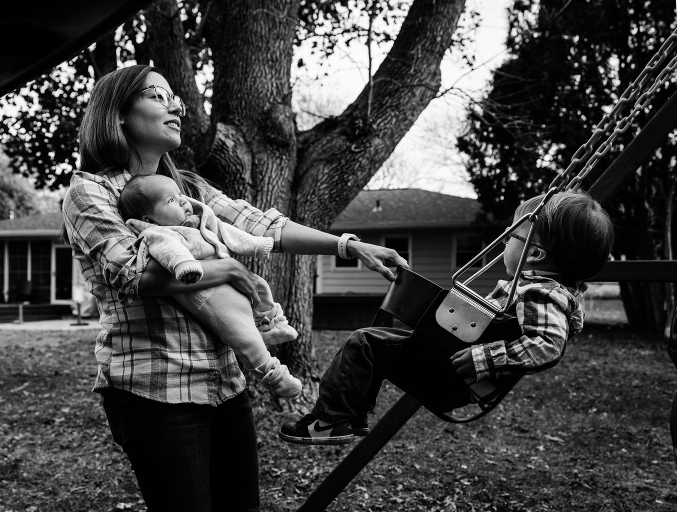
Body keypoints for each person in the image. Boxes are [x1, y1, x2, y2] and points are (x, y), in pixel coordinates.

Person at [60, 64, 407, 512]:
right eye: (157, 95)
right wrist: (229, 272)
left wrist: (349, 246)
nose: (176, 106)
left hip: (224, 382)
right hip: (153, 389)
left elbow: (264, 226)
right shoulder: (90, 192)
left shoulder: (188, 187)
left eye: (175, 98)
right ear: (118, 114)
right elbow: (137, 276)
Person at [278, 190, 615, 445]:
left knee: (365, 342)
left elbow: (547, 345)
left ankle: (329, 421)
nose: (503, 243)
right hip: (451, 366)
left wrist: (483, 357)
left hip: (453, 375)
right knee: (374, 343)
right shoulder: (532, 288)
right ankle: (349, 416)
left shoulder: (542, 293)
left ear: (536, 254)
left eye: (511, 235)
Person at [118, 173, 302, 398]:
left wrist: (257, 244)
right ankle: (274, 375)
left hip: (224, 279)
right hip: (204, 293)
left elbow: (228, 232)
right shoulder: (159, 233)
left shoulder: (199, 221)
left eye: (180, 195)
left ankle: (270, 325)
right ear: (149, 219)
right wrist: (185, 266)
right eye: (171, 200)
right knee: (241, 333)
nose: (183, 201)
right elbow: (169, 252)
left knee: (259, 286)